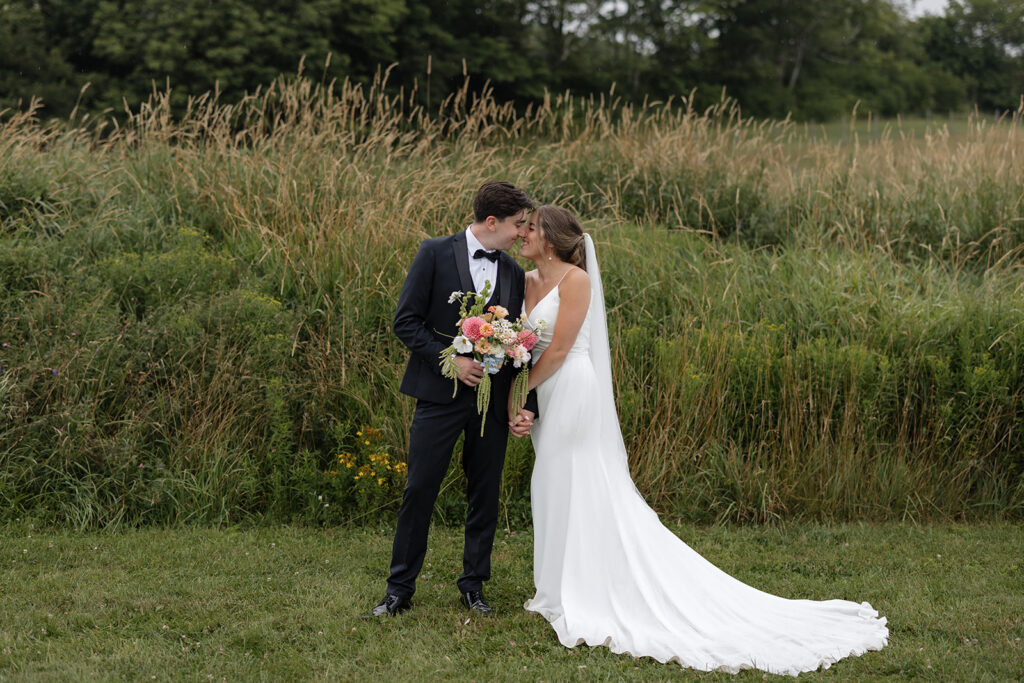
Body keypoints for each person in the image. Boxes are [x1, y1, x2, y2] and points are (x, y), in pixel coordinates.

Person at [509, 205, 889, 675]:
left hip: (571, 388)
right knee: (551, 480)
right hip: (545, 389)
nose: (523, 234)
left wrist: (519, 390)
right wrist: (520, 394)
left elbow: (562, 349)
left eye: (532, 228)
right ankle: (556, 585)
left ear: (553, 237)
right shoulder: (525, 282)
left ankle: (585, 587)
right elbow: (525, 345)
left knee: (577, 479)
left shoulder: (576, 281)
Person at [371, 181, 538, 618]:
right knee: (419, 488)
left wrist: (525, 403)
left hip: (493, 403)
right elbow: (405, 322)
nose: (523, 233)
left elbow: (521, 342)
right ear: (491, 222)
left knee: (485, 492)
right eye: (519, 225)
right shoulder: (433, 252)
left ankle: (473, 585)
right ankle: (398, 590)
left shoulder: (515, 274)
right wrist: (453, 363)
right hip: (438, 396)